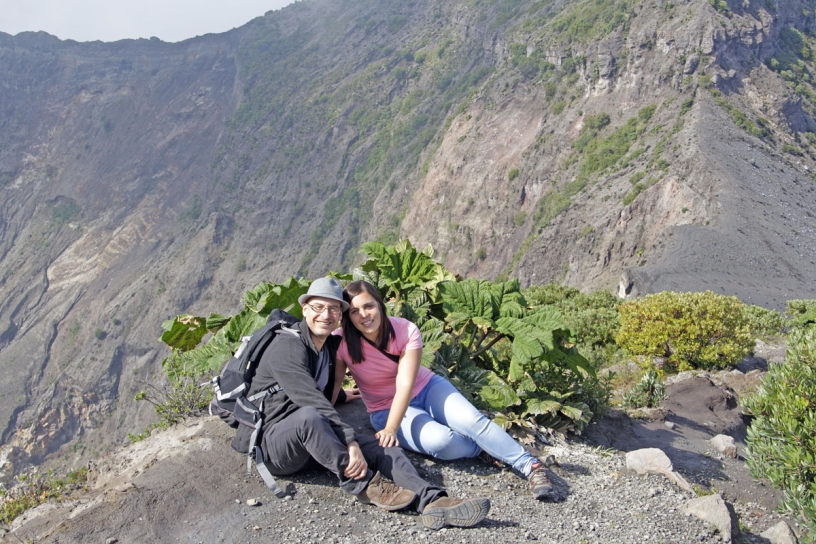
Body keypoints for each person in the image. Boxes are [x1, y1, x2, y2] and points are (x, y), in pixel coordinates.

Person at [236, 277, 490, 529]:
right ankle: (365, 485)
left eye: (333, 309)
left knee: (383, 444)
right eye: (318, 307)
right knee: (310, 417)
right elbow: (308, 398)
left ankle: (432, 500)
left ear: (340, 316)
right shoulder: (287, 346)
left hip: (317, 441)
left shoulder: (327, 346)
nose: (325, 315)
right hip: (274, 444)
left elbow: (321, 388)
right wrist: (350, 440)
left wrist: (344, 397)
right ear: (304, 309)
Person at [334, 280, 554, 501]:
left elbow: (405, 384)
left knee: (472, 421)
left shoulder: (405, 330)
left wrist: (391, 430)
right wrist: (336, 403)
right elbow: (334, 384)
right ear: (348, 316)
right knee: (441, 442)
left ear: (380, 305)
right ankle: (482, 449)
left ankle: (531, 466)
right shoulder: (341, 342)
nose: (364, 315)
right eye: (354, 311)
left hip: (426, 388)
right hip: (385, 408)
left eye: (368, 306)